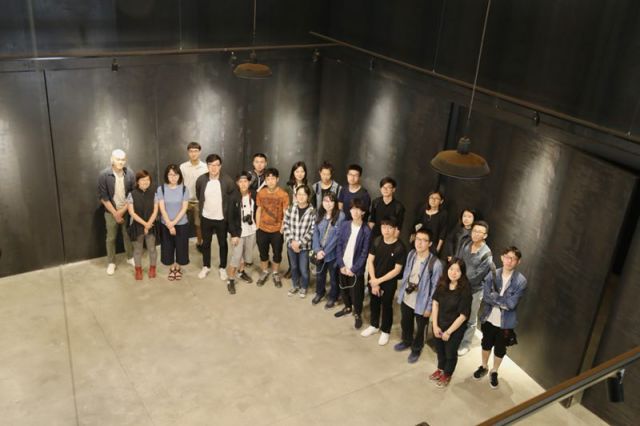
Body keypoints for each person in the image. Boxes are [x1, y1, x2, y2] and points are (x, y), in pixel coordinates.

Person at [473, 246, 527, 389]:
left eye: (513, 259)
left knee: (500, 349)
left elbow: (511, 304)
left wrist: (495, 298)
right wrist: (501, 301)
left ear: (518, 262)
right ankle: (484, 366)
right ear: (502, 257)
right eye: (507, 257)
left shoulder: (521, 281)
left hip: (506, 323)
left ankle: (494, 371)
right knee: (486, 343)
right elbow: (486, 297)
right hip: (489, 317)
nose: (510, 261)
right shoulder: (492, 275)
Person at [394, 229, 443, 363]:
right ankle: (406, 341)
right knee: (406, 321)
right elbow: (406, 274)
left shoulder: (435, 264)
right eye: (417, 239)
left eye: (424, 240)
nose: (419, 243)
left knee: (421, 328)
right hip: (407, 296)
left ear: (430, 243)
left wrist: (429, 307)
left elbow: (435, 289)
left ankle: (416, 348)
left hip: (422, 301)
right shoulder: (411, 254)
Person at [360, 217, 407, 345]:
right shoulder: (377, 241)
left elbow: (397, 270)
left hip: (388, 282)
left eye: (389, 228)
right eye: (383, 227)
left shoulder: (399, 247)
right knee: (374, 302)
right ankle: (374, 325)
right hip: (373, 279)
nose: (386, 230)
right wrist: (373, 280)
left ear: (395, 229)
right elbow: (370, 260)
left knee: (387, 306)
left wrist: (378, 281)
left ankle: (386, 331)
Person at [430, 258, 473, 388]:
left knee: (450, 353)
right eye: (451, 269)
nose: (453, 273)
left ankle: (447, 374)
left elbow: (463, 316)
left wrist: (448, 332)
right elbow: (435, 303)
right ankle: (440, 369)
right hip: (439, 324)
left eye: (457, 270)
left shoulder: (465, 289)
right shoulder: (443, 283)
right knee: (440, 350)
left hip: (455, 328)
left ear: (462, 273)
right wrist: (435, 325)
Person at [195, 154, 236, 281]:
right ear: (207, 166)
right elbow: (199, 194)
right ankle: (206, 266)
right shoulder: (201, 180)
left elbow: (232, 199)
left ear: (220, 166)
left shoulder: (228, 181)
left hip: (221, 219)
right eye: (211, 165)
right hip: (206, 217)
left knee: (222, 243)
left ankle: (222, 267)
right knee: (206, 243)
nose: (214, 168)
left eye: (216, 165)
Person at [456, 220, 493, 356]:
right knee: (457, 313)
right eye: (474, 231)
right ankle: (456, 338)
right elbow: (458, 261)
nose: (476, 234)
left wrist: (460, 282)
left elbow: (478, 276)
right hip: (459, 285)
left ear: (485, 235)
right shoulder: (466, 243)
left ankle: (466, 343)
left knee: (471, 318)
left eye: (479, 232)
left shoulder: (486, 254)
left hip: (475, 291)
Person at [97, 149, 135, 275]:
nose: (121, 162)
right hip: (110, 211)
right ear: (112, 160)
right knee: (111, 238)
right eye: (118, 159)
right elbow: (103, 197)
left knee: (127, 235)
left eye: (123, 159)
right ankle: (111, 262)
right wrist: (115, 213)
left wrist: (123, 211)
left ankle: (130, 257)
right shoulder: (104, 175)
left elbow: (132, 194)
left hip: (126, 210)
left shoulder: (130, 174)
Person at [335, 199, 371, 327]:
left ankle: (357, 313)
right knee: (344, 288)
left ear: (363, 212)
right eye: (353, 209)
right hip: (343, 265)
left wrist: (354, 269)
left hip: (356, 269)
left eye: (358, 209)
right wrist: (341, 265)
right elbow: (339, 245)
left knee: (357, 293)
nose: (355, 212)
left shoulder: (366, 230)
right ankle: (347, 307)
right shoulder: (345, 225)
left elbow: (364, 253)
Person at [255, 168, 289, 288]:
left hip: (277, 230)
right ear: (265, 180)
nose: (270, 181)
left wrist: (282, 227)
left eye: (273, 178)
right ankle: (264, 272)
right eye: (268, 179)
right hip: (262, 229)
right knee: (263, 253)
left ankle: (275, 273)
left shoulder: (283, 194)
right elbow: (259, 209)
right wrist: (257, 226)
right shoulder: (261, 193)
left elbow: (285, 212)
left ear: (277, 179)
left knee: (277, 254)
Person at [311, 191, 345, 306]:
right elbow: (315, 233)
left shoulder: (341, 216)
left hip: (333, 254)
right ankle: (320, 293)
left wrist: (324, 252)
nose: (328, 203)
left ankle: (333, 296)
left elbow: (337, 238)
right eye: (325, 200)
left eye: (331, 201)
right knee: (320, 275)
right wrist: (317, 250)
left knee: (334, 277)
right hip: (319, 252)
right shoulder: (319, 213)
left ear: (335, 203)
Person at [157, 164, 190, 281]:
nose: (173, 177)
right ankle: (172, 268)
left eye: (175, 175)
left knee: (181, 248)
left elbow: (184, 208)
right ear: (166, 176)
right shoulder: (161, 189)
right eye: (170, 175)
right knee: (168, 247)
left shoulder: (184, 189)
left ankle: (178, 268)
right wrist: (169, 224)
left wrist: (173, 223)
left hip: (182, 224)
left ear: (179, 176)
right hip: (166, 224)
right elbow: (162, 208)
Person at [226, 172, 257, 295]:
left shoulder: (253, 195)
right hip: (238, 233)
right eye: (241, 182)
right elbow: (229, 217)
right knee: (236, 257)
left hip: (251, 230)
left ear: (249, 182)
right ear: (237, 183)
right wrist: (234, 234)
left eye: (245, 181)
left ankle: (241, 272)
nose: (243, 184)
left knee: (245, 256)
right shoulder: (233, 197)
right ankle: (231, 279)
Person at [283, 185, 316, 298]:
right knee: (293, 267)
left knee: (303, 268)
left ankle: (304, 287)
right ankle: (295, 285)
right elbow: (286, 225)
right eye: (299, 194)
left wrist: (300, 243)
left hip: (304, 246)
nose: (301, 197)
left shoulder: (312, 211)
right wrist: (292, 241)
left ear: (308, 196)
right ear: (295, 196)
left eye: (304, 194)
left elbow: (312, 230)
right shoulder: (291, 208)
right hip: (291, 244)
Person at [126, 170, 159, 280]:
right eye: (143, 180)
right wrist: (145, 224)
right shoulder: (131, 195)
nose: (145, 182)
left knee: (152, 249)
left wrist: (149, 224)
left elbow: (155, 211)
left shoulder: (154, 193)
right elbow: (132, 213)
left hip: (151, 224)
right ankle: (138, 270)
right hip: (137, 226)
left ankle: (152, 268)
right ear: (138, 181)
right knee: (137, 250)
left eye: (147, 179)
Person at [180, 142, 208, 252]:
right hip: (185, 200)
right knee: (182, 224)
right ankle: (182, 244)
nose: (193, 153)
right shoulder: (183, 167)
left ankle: (200, 243)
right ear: (188, 152)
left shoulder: (205, 167)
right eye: (191, 151)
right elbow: (180, 183)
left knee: (198, 225)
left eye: (196, 151)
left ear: (200, 152)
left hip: (199, 201)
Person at [284, 161, 308, 279]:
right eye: (297, 171)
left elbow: (312, 204)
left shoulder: (309, 187)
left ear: (305, 173)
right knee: (290, 243)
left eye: (302, 171)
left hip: (304, 219)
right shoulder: (288, 187)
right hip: (291, 219)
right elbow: (284, 203)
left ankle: (302, 270)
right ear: (293, 173)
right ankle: (292, 268)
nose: (299, 174)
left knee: (303, 246)